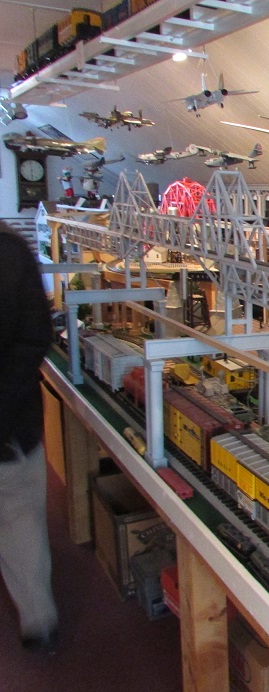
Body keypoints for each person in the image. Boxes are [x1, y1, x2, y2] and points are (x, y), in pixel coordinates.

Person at [0, 221, 58, 653]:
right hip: (12, 425)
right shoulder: (12, 252)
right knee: (21, 519)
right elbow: (37, 333)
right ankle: (38, 621)